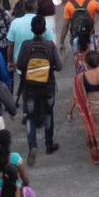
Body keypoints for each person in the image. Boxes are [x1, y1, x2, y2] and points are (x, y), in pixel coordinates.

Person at [15, 16, 60, 157]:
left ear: (31, 30)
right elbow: (58, 66)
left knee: (30, 116)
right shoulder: (50, 45)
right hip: (47, 87)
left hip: (30, 88)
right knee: (48, 114)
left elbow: (20, 66)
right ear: (45, 29)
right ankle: (49, 144)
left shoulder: (25, 45)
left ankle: (32, 146)